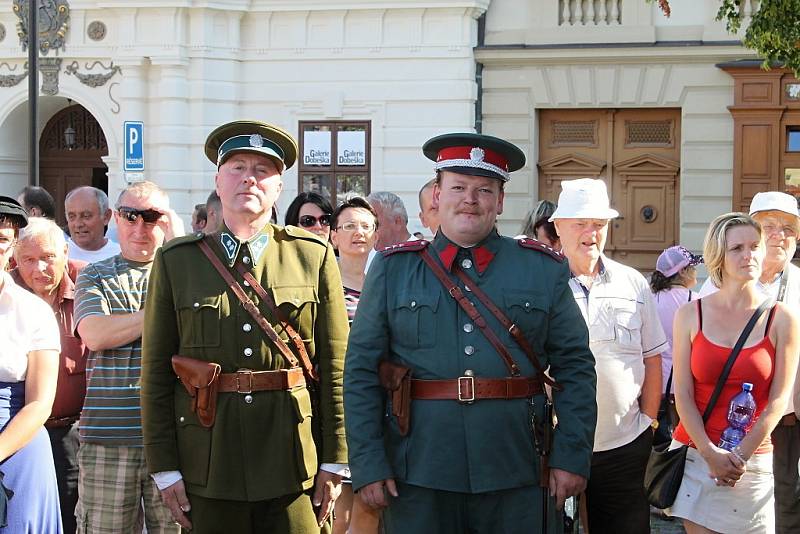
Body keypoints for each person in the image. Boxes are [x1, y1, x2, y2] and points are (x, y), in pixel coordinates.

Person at [344, 133, 597, 533]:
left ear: (500, 201)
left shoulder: (542, 268)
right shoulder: (394, 269)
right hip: (418, 469)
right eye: (458, 187)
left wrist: (571, 454)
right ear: (437, 197)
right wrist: (368, 461)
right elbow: (361, 372)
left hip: (518, 468)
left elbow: (576, 368)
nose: (470, 199)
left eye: (484, 190)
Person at [141, 120, 350, 534]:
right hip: (208, 458)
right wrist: (164, 467)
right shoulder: (177, 261)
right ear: (218, 182)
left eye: (263, 170)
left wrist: (335, 458)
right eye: (237, 167)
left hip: (294, 459)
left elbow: (337, 367)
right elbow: (155, 374)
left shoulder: (313, 256)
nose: (249, 178)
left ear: (278, 188)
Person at [666, 212, 800, 533]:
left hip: (752, 463)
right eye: (737, 248)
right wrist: (711, 454)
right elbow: (682, 393)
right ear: (718, 257)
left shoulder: (782, 319)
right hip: (697, 455)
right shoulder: (690, 314)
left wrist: (739, 456)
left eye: (755, 246)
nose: (748, 255)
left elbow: (779, 400)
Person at [550, 178, 666, 534]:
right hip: (555, 444)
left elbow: (652, 358)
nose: (591, 233)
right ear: (558, 228)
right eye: (580, 224)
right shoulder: (541, 284)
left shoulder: (633, 283)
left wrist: (648, 421)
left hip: (623, 443)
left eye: (599, 224)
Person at [73, 181, 182, 533]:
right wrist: (162, 314)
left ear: (166, 222)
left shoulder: (187, 277)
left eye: (151, 218)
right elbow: (96, 334)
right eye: (130, 216)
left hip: (175, 439)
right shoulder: (95, 273)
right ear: (115, 219)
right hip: (108, 438)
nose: (139, 228)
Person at [11, 216, 88, 534]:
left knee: (71, 514)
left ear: (65, 252)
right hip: (18, 433)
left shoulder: (88, 281)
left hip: (72, 431)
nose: (38, 269)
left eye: (48, 258)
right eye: (28, 259)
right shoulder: (7, 291)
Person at [0, 197, 62, 533]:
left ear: (11, 249)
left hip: (17, 441)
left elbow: (39, 403)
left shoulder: (33, 311)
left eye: (0, 241)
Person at [328, 197, 381, 534]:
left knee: (370, 506)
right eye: (348, 226)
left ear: (376, 235)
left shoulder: (386, 281)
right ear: (333, 235)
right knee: (336, 510)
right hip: (337, 404)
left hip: (378, 405)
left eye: (365, 226)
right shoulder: (323, 283)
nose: (357, 233)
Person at [650, 245, 702, 443]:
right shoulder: (695, 302)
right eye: (693, 267)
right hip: (683, 389)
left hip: (650, 387)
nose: (696, 271)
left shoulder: (648, 299)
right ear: (682, 271)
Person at [64, 187, 121, 263]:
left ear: (106, 216)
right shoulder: (56, 256)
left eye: (86, 216)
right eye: (72, 217)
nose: (78, 224)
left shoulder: (121, 256)